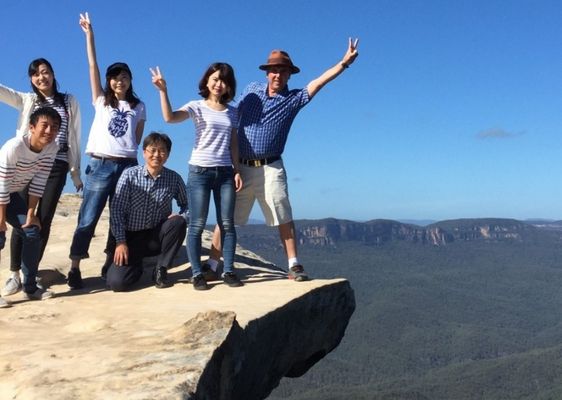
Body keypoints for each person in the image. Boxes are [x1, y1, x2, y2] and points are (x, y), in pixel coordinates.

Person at [209, 39, 359, 281]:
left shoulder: (294, 99)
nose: (277, 75)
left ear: (289, 75)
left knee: (282, 213)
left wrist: (343, 63)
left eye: (282, 71)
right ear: (267, 73)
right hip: (241, 167)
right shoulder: (251, 90)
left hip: (271, 166)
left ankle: (294, 264)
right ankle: (212, 264)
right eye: (274, 70)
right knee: (226, 217)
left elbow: (319, 82)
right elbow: (231, 114)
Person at [67, 12, 146, 290]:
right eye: (114, 77)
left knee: (119, 218)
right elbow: (93, 65)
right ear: (109, 81)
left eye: (123, 77)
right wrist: (89, 35)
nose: (118, 81)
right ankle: (75, 266)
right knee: (87, 217)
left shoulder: (138, 106)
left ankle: (110, 263)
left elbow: (136, 139)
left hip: (127, 166)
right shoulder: (101, 100)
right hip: (100, 164)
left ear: (130, 80)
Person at [151, 63, 243, 290]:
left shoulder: (232, 112)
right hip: (200, 171)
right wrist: (163, 91)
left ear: (229, 85)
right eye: (215, 79)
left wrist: (237, 170)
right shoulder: (197, 106)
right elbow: (170, 118)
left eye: (224, 80)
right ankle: (197, 274)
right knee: (197, 224)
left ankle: (228, 270)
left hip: (225, 172)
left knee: (227, 223)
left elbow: (233, 143)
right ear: (207, 81)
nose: (219, 84)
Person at [0, 58, 82, 297]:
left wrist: (75, 171)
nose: (41, 77)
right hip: (23, 164)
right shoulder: (28, 100)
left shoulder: (68, 101)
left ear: (53, 74)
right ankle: (14, 274)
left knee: (39, 219)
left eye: (45, 72)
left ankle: (31, 274)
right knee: (20, 220)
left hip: (55, 162)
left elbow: (75, 134)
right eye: (35, 74)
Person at [105, 132, 187, 292]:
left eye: (162, 151)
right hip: (130, 238)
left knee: (178, 222)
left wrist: (182, 216)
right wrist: (120, 242)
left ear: (168, 155)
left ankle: (161, 268)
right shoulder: (130, 175)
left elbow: (188, 205)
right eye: (152, 150)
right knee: (117, 283)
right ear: (144, 152)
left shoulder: (174, 178)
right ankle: (135, 267)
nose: (157, 155)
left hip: (155, 236)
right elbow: (117, 210)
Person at [0, 107, 61, 308]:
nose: (49, 131)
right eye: (45, 125)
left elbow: (39, 181)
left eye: (54, 127)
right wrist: (1, 219)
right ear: (31, 127)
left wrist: (30, 214)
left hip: (11, 194)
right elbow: (2, 184)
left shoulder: (52, 148)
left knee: (32, 232)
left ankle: (30, 288)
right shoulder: (14, 147)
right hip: (2, 191)